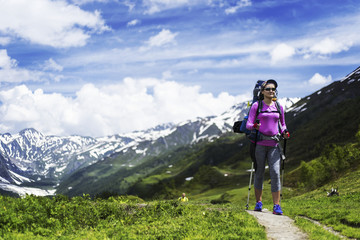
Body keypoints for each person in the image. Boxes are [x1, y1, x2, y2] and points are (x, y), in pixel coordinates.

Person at [246, 79, 290, 215]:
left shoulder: (279, 107)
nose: (271, 91)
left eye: (273, 89)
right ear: (262, 91)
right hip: (259, 144)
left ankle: (276, 206)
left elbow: (283, 124)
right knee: (259, 173)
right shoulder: (256, 106)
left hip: (274, 145)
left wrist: (285, 132)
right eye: (268, 89)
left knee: (275, 173)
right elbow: (248, 124)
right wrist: (254, 126)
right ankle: (258, 203)